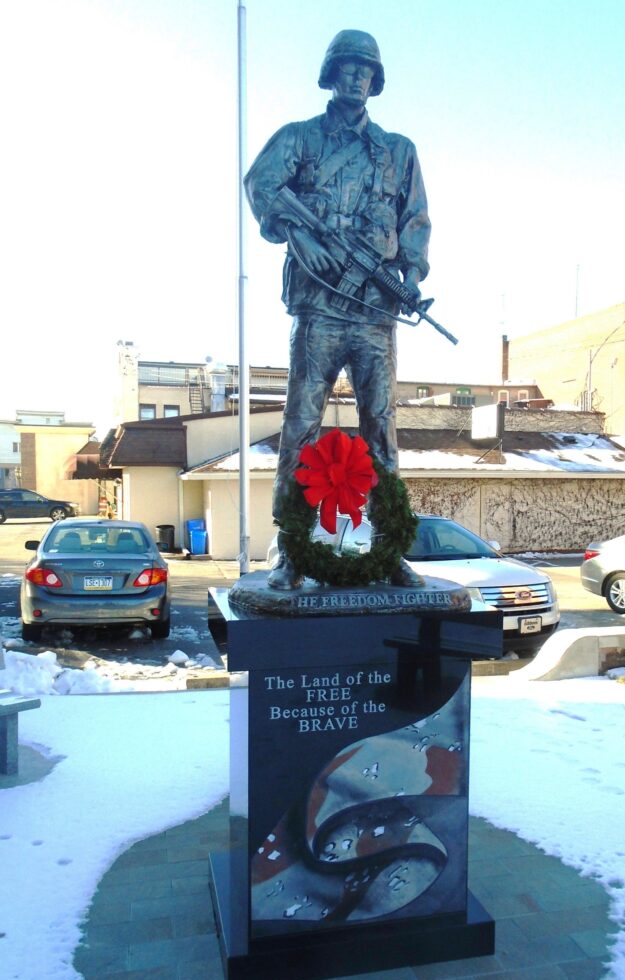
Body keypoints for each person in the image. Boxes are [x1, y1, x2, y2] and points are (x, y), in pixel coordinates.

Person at [245, 29, 431, 589]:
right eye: (347, 67)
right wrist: (303, 234)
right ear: (330, 74)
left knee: (382, 431)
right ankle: (292, 554)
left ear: (377, 81)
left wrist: (412, 275)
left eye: (366, 70)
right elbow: (261, 186)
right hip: (319, 310)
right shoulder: (299, 139)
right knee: (299, 427)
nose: (357, 77)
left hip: (374, 313)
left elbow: (415, 222)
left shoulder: (399, 151)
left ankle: (389, 548)